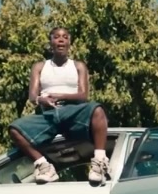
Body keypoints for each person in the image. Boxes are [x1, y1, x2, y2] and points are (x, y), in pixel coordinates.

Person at [7, 26, 111, 184]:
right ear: (51, 43)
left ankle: (99, 163)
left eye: (65, 37)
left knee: (97, 110)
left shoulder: (78, 66)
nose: (61, 40)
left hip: (72, 111)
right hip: (48, 114)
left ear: (69, 43)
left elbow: (83, 96)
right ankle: (44, 166)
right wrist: (42, 100)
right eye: (56, 37)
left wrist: (59, 96)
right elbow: (32, 96)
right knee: (15, 129)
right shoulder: (40, 67)